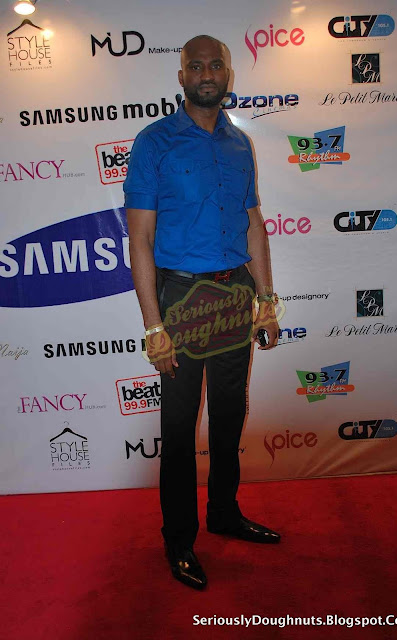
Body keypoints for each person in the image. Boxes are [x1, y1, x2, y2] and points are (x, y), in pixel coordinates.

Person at [124, 34, 281, 590]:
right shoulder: (154, 142)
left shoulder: (240, 144)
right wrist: (153, 324)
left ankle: (224, 513)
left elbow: (252, 224)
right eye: (196, 66)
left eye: (216, 65)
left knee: (230, 414)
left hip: (235, 293)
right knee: (178, 424)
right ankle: (179, 539)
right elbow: (140, 239)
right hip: (181, 298)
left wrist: (266, 298)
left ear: (228, 75)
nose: (207, 73)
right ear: (182, 76)